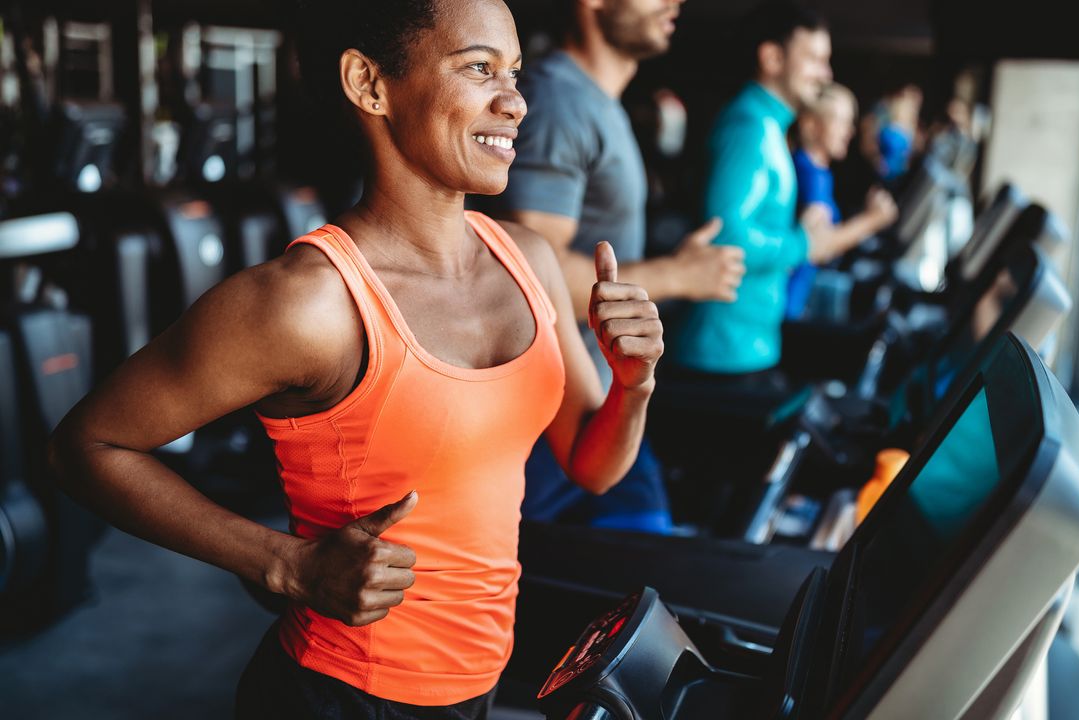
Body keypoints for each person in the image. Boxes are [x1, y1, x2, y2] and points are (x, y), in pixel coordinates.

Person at [48, 0, 663, 717]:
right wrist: (285, 564)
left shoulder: (526, 259)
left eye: (516, 73)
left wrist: (634, 383)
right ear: (369, 85)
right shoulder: (310, 304)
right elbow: (85, 446)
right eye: (478, 69)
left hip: (477, 684)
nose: (516, 102)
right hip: (343, 692)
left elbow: (592, 464)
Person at [491, 0, 745, 533]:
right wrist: (678, 275)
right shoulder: (560, 99)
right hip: (555, 425)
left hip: (604, 403)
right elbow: (536, 269)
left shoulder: (595, 100)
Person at [671, 1, 889, 382]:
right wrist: (805, 243)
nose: (826, 74)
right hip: (724, 351)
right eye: (815, 59)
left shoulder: (769, 127)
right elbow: (725, 236)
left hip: (744, 345)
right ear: (772, 58)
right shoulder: (749, 128)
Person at [787, 82, 898, 319]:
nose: (849, 131)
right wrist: (873, 219)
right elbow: (819, 248)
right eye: (841, 121)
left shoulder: (819, 172)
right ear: (811, 125)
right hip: (790, 308)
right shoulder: (809, 174)